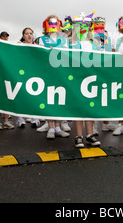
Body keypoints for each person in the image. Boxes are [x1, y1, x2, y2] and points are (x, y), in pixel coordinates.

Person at [68, 12, 102, 147]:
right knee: (78, 107)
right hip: (77, 78)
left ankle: (89, 135)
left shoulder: (95, 43)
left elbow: (100, 60)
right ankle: (78, 136)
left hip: (91, 78)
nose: (83, 28)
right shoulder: (72, 42)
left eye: (86, 26)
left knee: (89, 107)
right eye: (80, 26)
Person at [36, 15, 71, 139]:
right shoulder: (41, 39)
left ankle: (58, 126)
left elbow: (67, 55)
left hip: (61, 72)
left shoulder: (64, 39)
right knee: (49, 100)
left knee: (59, 99)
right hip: (47, 72)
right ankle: (50, 127)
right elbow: (38, 55)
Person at [0, 31, 15, 130]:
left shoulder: (9, 47)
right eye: (3, 36)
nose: (5, 38)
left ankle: (6, 121)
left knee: (7, 98)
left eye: (6, 36)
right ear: (0, 37)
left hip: (7, 76)